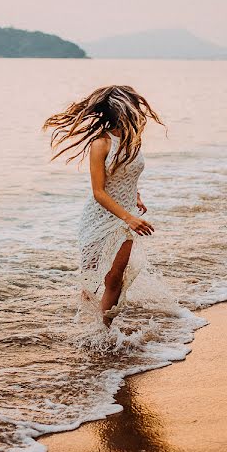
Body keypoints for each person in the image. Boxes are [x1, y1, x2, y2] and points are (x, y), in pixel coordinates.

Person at [44, 85, 162, 326]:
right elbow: (99, 191)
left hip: (126, 218)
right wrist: (129, 217)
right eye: (134, 106)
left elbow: (126, 174)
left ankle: (104, 331)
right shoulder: (101, 143)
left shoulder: (133, 140)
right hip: (99, 218)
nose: (139, 111)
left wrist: (136, 197)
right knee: (91, 281)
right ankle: (86, 328)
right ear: (120, 110)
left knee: (115, 278)